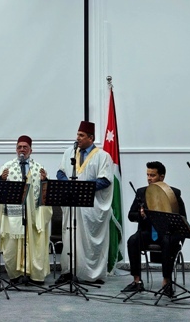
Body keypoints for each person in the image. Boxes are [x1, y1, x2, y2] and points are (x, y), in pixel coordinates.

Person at [55, 120, 113, 284]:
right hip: (72, 205)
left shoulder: (103, 156)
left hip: (91, 207)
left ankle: (91, 275)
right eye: (77, 135)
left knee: (88, 242)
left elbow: (105, 180)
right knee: (69, 237)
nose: (78, 138)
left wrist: (81, 188)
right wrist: (69, 186)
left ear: (91, 138)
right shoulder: (69, 153)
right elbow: (60, 172)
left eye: (81, 135)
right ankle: (69, 271)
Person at [122, 161, 186, 296]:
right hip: (148, 232)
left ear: (162, 177)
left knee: (168, 242)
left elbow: (182, 218)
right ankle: (137, 281)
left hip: (167, 233)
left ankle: (166, 282)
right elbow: (131, 215)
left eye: (153, 175)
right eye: (148, 175)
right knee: (133, 240)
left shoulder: (173, 193)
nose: (149, 178)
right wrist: (140, 214)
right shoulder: (141, 192)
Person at [0, 135, 51, 284]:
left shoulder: (39, 168)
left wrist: (45, 181)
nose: (22, 150)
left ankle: (35, 275)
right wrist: (2, 179)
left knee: (35, 244)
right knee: (12, 245)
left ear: (31, 150)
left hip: (33, 214)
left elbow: (45, 194)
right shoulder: (7, 167)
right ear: (16, 149)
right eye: (19, 147)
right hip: (13, 216)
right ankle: (15, 275)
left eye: (25, 147)